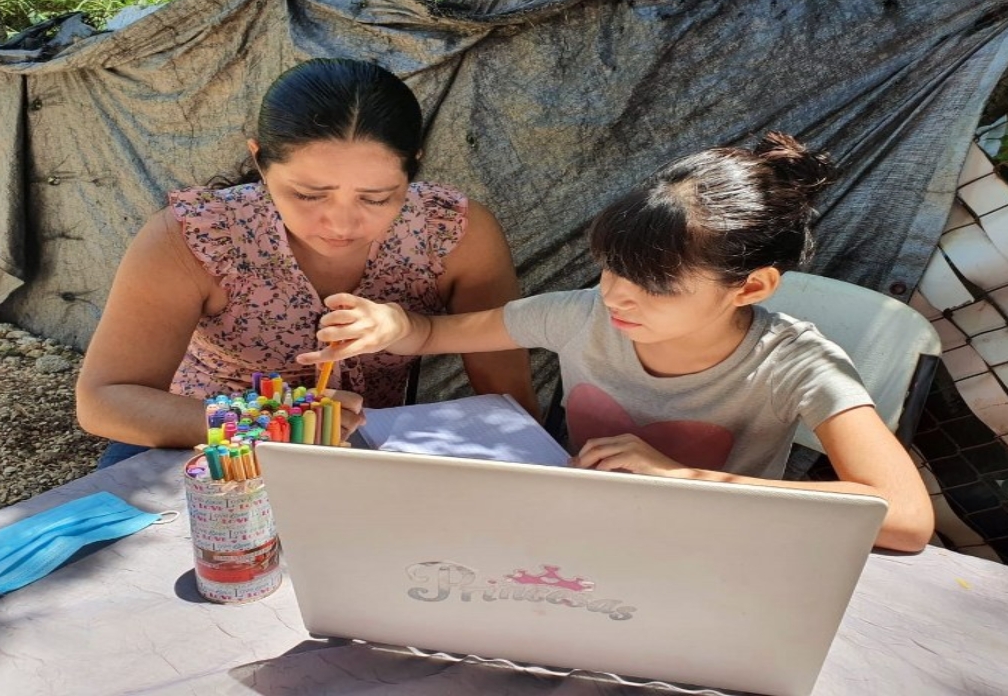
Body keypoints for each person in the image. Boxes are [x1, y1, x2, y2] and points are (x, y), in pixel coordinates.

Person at [297, 132, 935, 552]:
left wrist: (682, 478)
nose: (617, 296)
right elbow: (433, 331)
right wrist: (391, 326)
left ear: (751, 287)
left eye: (656, 285)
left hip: (710, 555)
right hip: (573, 540)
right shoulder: (582, 315)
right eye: (612, 268)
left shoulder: (796, 362)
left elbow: (905, 518)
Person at [77, 58, 537, 467]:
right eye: (307, 194)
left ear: (413, 167)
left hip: (359, 449)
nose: (340, 223)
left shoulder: (450, 231)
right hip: (202, 443)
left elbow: (509, 405)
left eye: (376, 198)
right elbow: (105, 400)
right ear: (260, 160)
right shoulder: (199, 235)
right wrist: (273, 424)